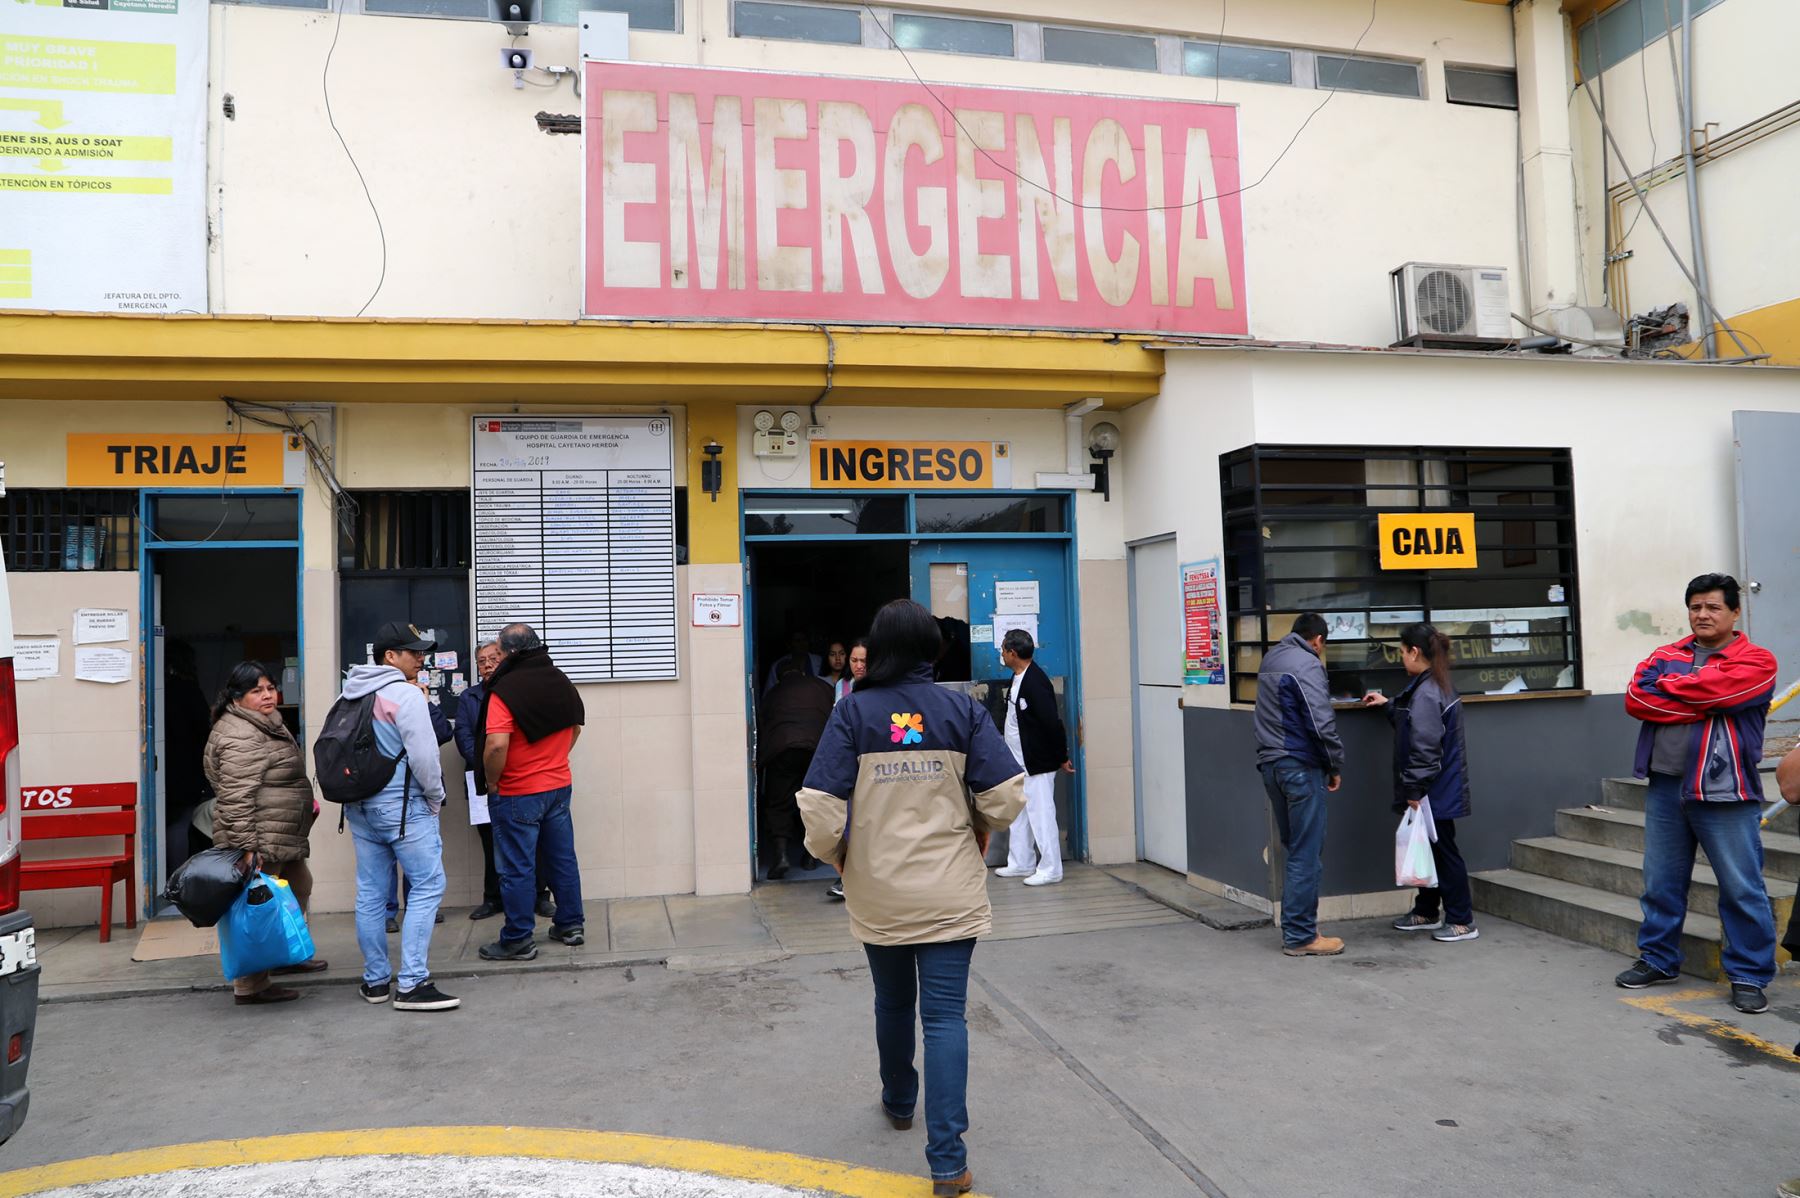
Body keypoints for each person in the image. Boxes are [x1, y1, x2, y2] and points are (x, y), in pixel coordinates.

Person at [797, 598, 1025, 1197]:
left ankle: (900, 1101)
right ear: (931, 649)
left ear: (879, 649)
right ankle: (948, 1164)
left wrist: (838, 853)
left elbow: (819, 806)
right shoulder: (961, 709)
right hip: (950, 888)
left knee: (893, 1002)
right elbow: (1005, 795)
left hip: (879, 891)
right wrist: (978, 824)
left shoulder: (852, 713)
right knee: (945, 1018)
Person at [1616, 573, 1778, 1014]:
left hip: (1726, 789)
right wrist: (1702, 698)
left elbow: (1730, 693)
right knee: (1661, 882)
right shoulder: (1665, 654)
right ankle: (1658, 959)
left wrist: (1673, 687)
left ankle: (1748, 975)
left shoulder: (1758, 660)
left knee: (1741, 887)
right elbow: (1636, 699)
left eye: (1713, 607)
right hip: (1666, 784)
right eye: (1695, 607)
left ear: (1735, 612)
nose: (1703, 615)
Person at [336, 622, 458, 1012]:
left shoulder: (350, 692)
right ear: (390, 656)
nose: (421, 658)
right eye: (413, 652)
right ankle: (412, 983)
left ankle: (375, 982)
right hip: (403, 809)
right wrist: (435, 798)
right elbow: (425, 757)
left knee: (371, 894)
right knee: (428, 885)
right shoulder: (405, 695)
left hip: (360, 809)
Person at [203, 660, 325, 1005]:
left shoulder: (264, 723)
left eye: (270, 688)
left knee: (299, 886)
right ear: (237, 697)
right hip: (258, 836)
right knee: (257, 907)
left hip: (279, 832)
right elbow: (235, 796)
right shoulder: (240, 734)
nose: (268, 695)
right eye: (257, 691)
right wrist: (246, 847)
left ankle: (285, 954)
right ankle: (251, 985)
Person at [477, 622, 587, 962]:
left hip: (518, 791)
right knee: (562, 859)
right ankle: (570, 925)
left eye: (499, 652)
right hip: (558, 787)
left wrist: (492, 781)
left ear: (510, 652)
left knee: (517, 868)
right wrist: (555, 760)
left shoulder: (504, 689)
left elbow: (496, 745)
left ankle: (518, 939)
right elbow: (575, 727)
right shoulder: (559, 680)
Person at [1363, 623, 1478, 943]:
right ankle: (1427, 910)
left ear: (1415, 652)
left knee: (1444, 851)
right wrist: (1388, 705)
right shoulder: (1429, 685)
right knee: (1429, 848)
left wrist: (1414, 789)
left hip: (1433, 789)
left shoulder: (1428, 692)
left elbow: (1426, 747)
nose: (1400, 657)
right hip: (1434, 786)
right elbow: (1411, 724)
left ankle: (1462, 920)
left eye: (1402, 652)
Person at [1253, 612, 1346, 958]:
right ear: (1318, 640)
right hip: (1300, 767)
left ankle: (1300, 927)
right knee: (1306, 853)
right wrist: (1334, 764)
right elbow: (1321, 723)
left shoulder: (1271, 658)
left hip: (1271, 766)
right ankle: (1300, 935)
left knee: (1296, 849)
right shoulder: (1306, 664)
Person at [456, 639, 554, 922]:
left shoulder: (518, 691)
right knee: (490, 840)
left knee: (532, 839)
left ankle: (539, 896)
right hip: (482, 779)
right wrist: (487, 766)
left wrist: (509, 766)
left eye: (493, 659)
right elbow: (463, 736)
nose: (487, 665)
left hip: (520, 778)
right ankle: (493, 897)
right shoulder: (469, 698)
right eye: (482, 661)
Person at [992, 628, 1073, 887]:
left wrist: (1061, 756)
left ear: (1013, 653)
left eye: (1004, 650)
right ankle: (1021, 862)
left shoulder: (1036, 682)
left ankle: (1051, 868)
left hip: (1036, 762)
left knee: (1041, 814)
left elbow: (1052, 723)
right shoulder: (1018, 677)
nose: (1001, 654)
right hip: (1017, 761)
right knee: (1019, 812)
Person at [385, 669, 454, 934]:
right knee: (386, 859)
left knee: (418, 857)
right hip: (388, 793)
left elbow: (444, 732)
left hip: (419, 793)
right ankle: (387, 912)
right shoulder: (383, 706)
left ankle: (418, 908)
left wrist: (426, 703)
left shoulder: (421, 705)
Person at [757, 653, 835, 879]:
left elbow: (762, 723)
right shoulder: (822, 687)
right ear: (802, 672)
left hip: (782, 751)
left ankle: (781, 855)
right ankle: (811, 855)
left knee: (780, 803)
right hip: (815, 750)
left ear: (781, 677)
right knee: (813, 801)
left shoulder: (773, 694)